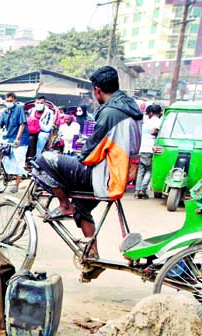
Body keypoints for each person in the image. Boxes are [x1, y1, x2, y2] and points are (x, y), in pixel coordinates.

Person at [33, 66, 142, 280]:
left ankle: (64, 205)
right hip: (119, 173)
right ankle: (92, 257)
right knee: (82, 206)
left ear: (98, 90)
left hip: (104, 175)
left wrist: (79, 156)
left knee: (44, 159)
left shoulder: (110, 113)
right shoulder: (129, 105)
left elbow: (90, 154)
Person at [0, 92, 27, 192]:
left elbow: (22, 124)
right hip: (9, 137)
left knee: (19, 161)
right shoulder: (5, 112)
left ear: (15, 101)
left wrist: (18, 139)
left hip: (21, 139)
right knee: (1, 154)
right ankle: (5, 173)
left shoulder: (19, 109)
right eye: (7, 101)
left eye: (11, 101)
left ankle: (16, 185)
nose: (9, 102)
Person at [136, 104, 162, 199]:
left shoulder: (146, 122)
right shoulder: (160, 122)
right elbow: (153, 132)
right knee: (149, 170)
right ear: (160, 113)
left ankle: (137, 192)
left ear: (150, 113)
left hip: (141, 148)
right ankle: (143, 190)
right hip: (150, 149)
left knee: (140, 170)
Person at [26, 95, 55, 162]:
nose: (39, 105)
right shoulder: (30, 111)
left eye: (41, 103)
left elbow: (48, 128)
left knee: (41, 137)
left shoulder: (49, 113)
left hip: (43, 132)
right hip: (30, 132)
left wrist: (37, 123)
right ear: (35, 103)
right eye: (38, 103)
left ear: (44, 103)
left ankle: (36, 157)